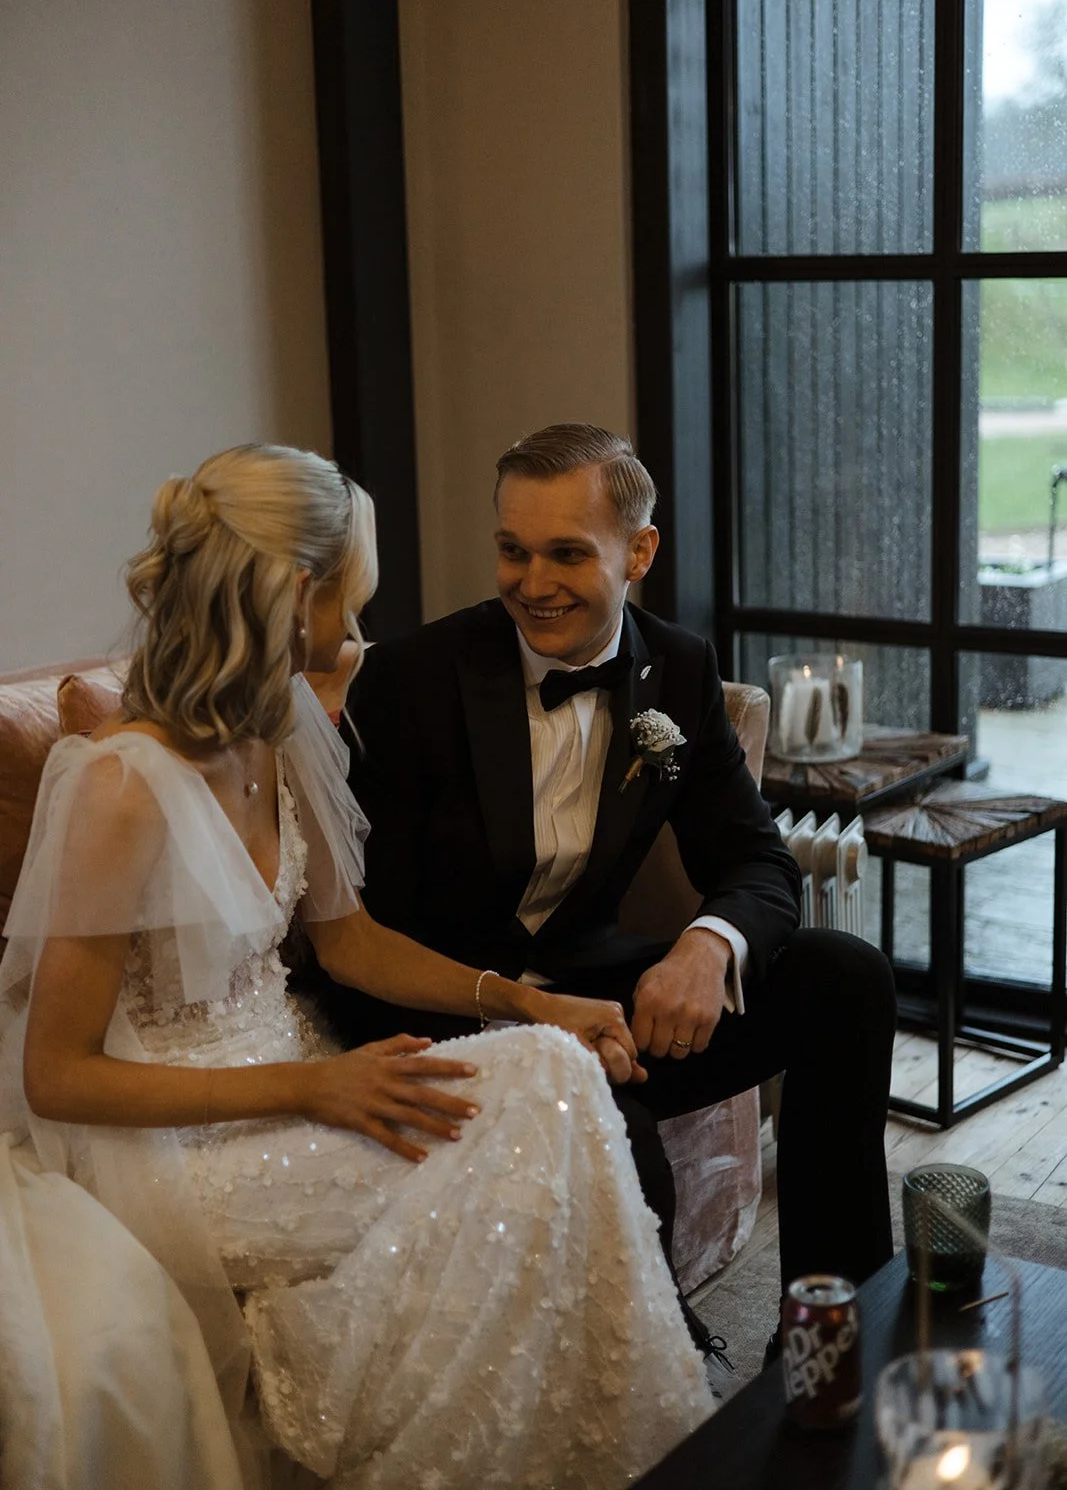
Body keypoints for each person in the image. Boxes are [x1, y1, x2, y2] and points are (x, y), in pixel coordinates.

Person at [0, 443, 714, 1490]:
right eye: (353, 596)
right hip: (179, 1144)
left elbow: (347, 939)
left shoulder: (281, 724)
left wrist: (529, 1001)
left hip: (301, 1074)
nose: (361, 626)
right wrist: (316, 1083)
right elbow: (52, 1073)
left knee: (550, 1073)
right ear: (296, 593)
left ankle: (614, 1442)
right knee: (533, 1143)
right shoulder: (120, 784)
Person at [328, 423, 897, 1352]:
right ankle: (670, 1373)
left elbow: (756, 860)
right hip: (454, 1017)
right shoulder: (409, 680)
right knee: (611, 1131)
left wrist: (705, 945)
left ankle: (830, 1333)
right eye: (512, 550)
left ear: (638, 552)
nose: (530, 581)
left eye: (565, 553)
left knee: (845, 978)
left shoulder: (675, 669)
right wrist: (533, 1024)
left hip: (601, 995)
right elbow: (365, 928)